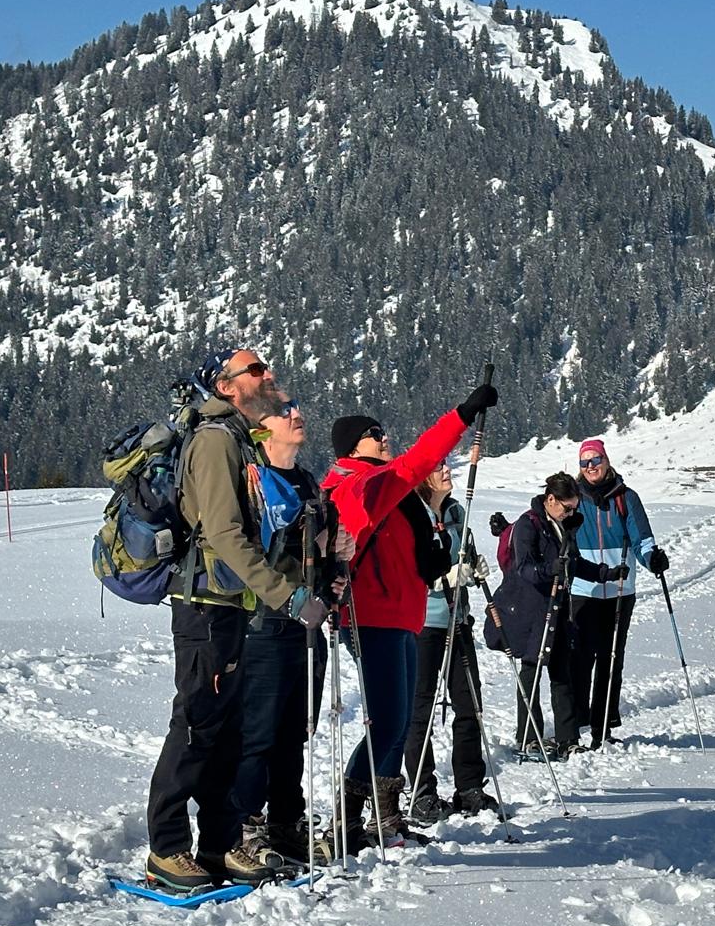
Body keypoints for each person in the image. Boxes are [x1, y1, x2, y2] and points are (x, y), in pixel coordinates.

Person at [146, 348, 329, 892]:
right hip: (204, 608)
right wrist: (287, 597)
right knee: (197, 727)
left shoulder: (236, 440)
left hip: (230, 608)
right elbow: (226, 536)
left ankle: (219, 845)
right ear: (227, 387)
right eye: (255, 370)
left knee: (225, 733)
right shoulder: (214, 441)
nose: (267, 375)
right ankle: (167, 850)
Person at [322, 381, 497, 847]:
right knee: (389, 721)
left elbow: (422, 554)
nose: (384, 438)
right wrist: (461, 414)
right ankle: (351, 819)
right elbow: (417, 461)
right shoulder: (360, 484)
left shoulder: (392, 496)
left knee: (393, 723)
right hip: (372, 617)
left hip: (402, 616)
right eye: (373, 433)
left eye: (382, 431)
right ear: (352, 446)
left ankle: (381, 818)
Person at [224, 397, 337, 873]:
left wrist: (334, 563)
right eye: (283, 410)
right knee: (260, 732)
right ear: (261, 427)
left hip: (306, 620)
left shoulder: (307, 482)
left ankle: (286, 823)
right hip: (264, 622)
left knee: (295, 730)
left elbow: (320, 552)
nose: (296, 414)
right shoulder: (252, 481)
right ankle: (243, 830)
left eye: (296, 406)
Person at [484, 472, 626, 759]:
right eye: (567, 507)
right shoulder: (528, 525)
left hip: (558, 609)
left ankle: (568, 738)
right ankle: (528, 737)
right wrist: (550, 569)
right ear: (550, 499)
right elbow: (524, 568)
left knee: (563, 674)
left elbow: (572, 563)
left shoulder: (563, 527)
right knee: (531, 673)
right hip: (529, 611)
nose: (570, 513)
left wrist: (604, 573)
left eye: (574, 508)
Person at [399, 460, 496, 822]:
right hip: (423, 622)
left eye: (446, 465)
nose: (446, 470)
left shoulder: (456, 513)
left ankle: (469, 786)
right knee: (420, 708)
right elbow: (410, 571)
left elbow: (463, 555)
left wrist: (471, 569)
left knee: (469, 702)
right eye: (438, 466)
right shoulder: (413, 514)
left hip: (458, 620)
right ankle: (422, 792)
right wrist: (448, 576)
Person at [568, 439, 668, 748]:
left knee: (611, 659)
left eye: (596, 459)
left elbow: (642, 539)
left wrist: (653, 559)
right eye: (585, 462)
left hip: (620, 592)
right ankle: (576, 724)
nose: (591, 467)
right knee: (580, 659)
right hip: (583, 589)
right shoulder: (574, 498)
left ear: (607, 460)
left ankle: (603, 728)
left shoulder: (626, 498)